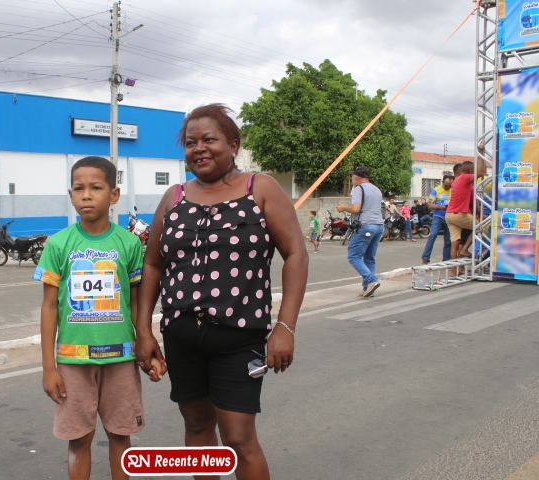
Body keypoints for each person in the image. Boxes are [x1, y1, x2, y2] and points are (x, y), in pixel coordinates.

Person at [135, 104, 308, 480]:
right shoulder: (174, 197)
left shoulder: (260, 188)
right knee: (197, 426)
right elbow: (153, 265)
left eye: (209, 139)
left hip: (239, 338)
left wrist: (285, 327)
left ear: (232, 144)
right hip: (181, 336)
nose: (199, 148)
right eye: (190, 142)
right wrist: (143, 330)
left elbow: (295, 254)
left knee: (239, 438)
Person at [36, 156, 163, 480]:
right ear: (70, 195)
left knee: (121, 435)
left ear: (114, 194)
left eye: (96, 187)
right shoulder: (58, 245)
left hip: (121, 358)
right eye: (78, 189)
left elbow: (137, 304)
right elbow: (49, 307)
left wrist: (147, 346)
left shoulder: (129, 243)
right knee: (79, 439)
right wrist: (49, 367)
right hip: (72, 362)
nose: (86, 195)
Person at [337, 167, 384, 297]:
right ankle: (367, 288)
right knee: (369, 258)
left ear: (357, 178)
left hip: (365, 226)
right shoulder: (376, 189)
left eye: (353, 178)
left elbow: (356, 209)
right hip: (379, 225)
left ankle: (372, 280)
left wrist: (343, 208)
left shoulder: (359, 189)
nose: (352, 180)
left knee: (353, 256)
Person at [446, 158, 485, 263]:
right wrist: (481, 155)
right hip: (459, 215)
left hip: (449, 215)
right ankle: (464, 250)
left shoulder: (456, 181)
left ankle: (454, 269)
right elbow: (480, 173)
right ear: (471, 171)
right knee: (480, 227)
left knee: (455, 242)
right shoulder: (465, 178)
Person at [421, 174, 453, 265]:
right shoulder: (436, 190)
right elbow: (430, 205)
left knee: (448, 240)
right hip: (438, 217)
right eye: (446, 185)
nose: (448, 187)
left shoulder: (454, 190)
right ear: (442, 182)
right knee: (433, 235)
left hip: (450, 218)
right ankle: (425, 258)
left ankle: (446, 260)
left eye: (450, 185)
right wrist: (441, 207)